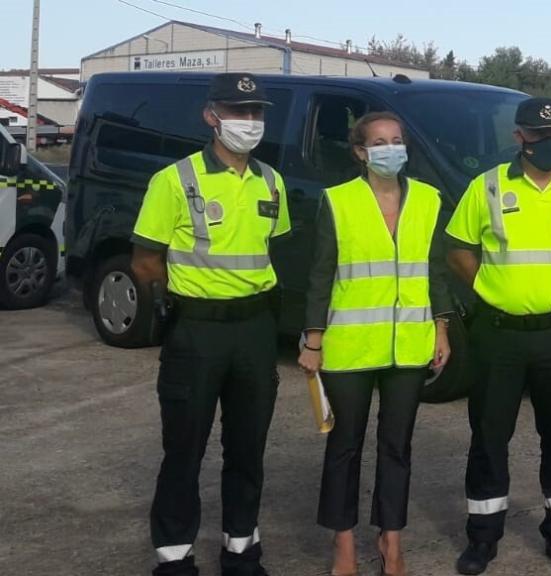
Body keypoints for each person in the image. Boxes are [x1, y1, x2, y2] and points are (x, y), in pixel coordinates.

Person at [446, 97, 551, 574]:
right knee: (488, 437)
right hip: (498, 335)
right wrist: (489, 287)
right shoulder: (488, 187)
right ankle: (482, 538)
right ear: (520, 137)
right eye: (541, 136)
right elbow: (458, 249)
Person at [131, 73, 290, 576]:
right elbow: (145, 260)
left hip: (255, 331)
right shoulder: (174, 180)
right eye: (237, 111)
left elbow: (271, 249)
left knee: (248, 448)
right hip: (197, 331)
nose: (248, 122)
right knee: (185, 448)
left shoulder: (271, 180)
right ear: (211, 115)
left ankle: (241, 549)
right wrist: (182, 302)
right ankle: (174, 557)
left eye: (256, 113)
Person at [297, 111, 454, 576]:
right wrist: (312, 339)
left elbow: (436, 270)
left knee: (397, 446)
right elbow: (321, 274)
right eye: (380, 142)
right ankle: (343, 544)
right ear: (361, 152)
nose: (391, 149)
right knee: (344, 445)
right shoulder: (338, 201)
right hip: (349, 346)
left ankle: (392, 539)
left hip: (409, 344)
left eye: (397, 140)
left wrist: (440, 329)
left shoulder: (428, 199)